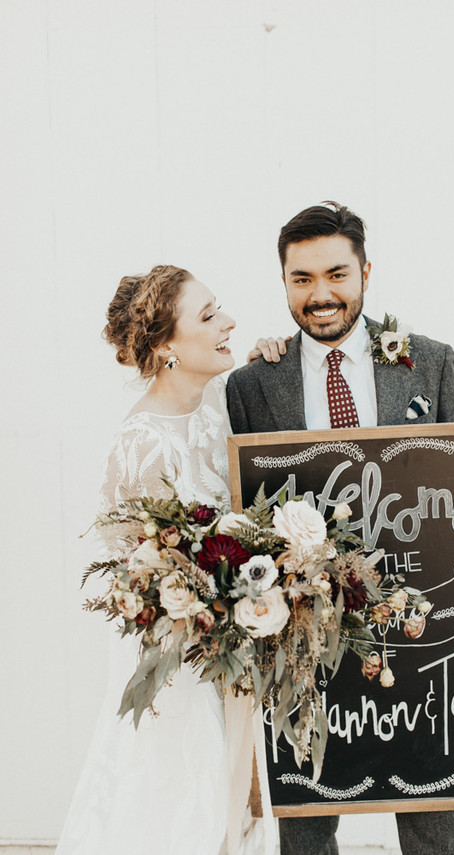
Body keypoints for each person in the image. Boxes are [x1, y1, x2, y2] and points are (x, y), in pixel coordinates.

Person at [226, 202, 454, 855]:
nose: (320, 294)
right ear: (282, 281)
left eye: (336, 273)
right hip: (302, 630)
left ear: (366, 270)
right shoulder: (253, 383)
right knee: (306, 814)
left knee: (438, 812)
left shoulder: (428, 360)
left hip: (420, 621)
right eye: (300, 278)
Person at [56, 265, 276, 855]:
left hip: (230, 648)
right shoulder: (143, 441)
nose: (228, 321)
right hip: (178, 660)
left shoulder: (211, 410)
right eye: (207, 317)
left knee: (234, 798)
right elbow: (135, 570)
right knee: (182, 803)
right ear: (166, 346)